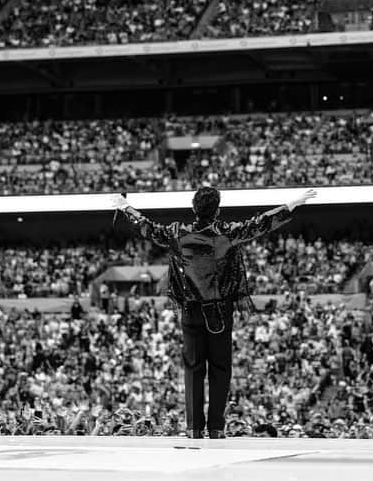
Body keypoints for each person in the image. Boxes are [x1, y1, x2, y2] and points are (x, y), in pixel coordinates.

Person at [111, 186, 317, 439]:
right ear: (217, 210)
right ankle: (216, 428)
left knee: (193, 369)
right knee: (220, 369)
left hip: (189, 310)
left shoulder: (177, 234)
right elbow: (260, 223)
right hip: (220, 311)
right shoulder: (227, 234)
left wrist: (124, 207)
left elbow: (146, 226)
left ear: (193, 208)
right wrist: (291, 205)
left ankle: (194, 428)